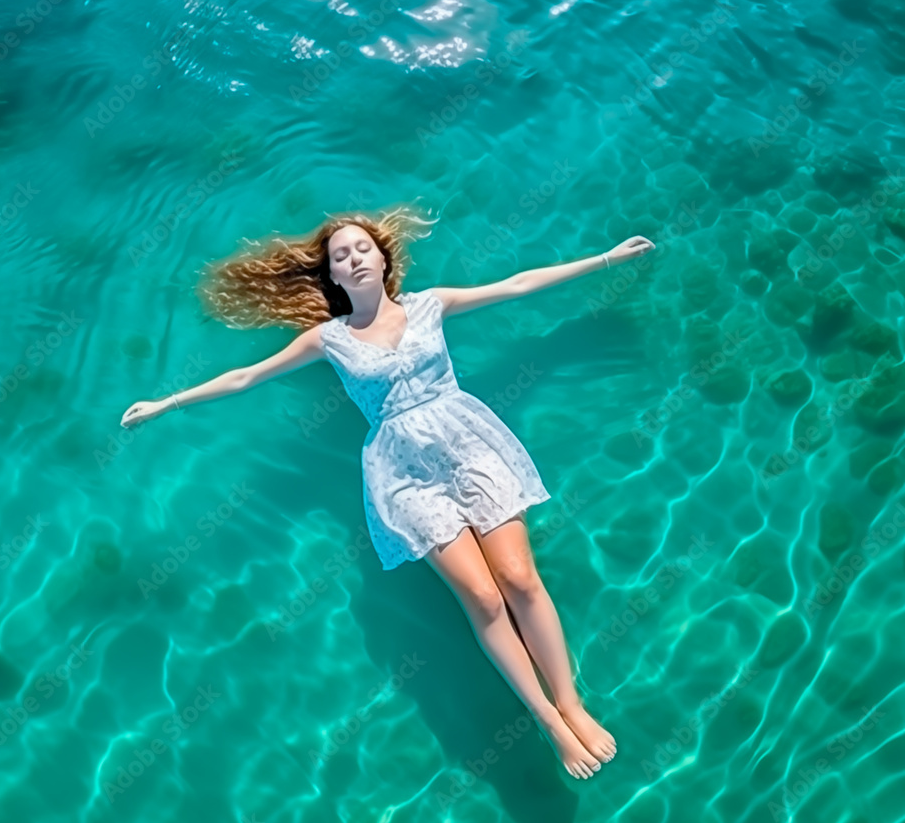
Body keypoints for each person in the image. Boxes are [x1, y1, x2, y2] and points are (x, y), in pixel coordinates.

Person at [121, 205, 656, 779]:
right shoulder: (327, 339)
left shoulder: (431, 304)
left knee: (522, 579)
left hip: (470, 445)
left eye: (361, 249)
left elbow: (517, 285)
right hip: (403, 474)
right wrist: (166, 404)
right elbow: (247, 376)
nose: (352, 258)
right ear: (333, 276)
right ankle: (550, 721)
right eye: (339, 257)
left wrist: (606, 259)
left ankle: (573, 703)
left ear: (383, 258)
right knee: (481, 598)